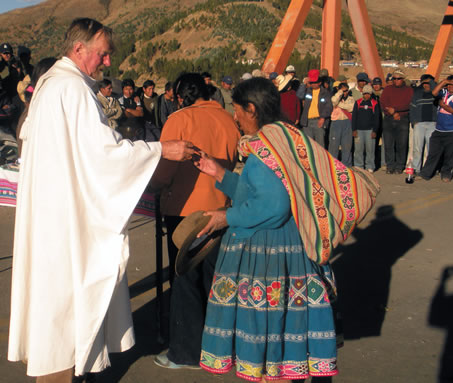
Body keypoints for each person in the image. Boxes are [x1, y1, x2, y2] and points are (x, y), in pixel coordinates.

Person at [7, 18, 195, 383]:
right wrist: (162, 149)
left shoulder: (50, 87)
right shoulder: (71, 89)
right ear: (79, 49)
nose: (107, 62)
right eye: (103, 54)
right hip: (66, 219)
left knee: (58, 299)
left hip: (54, 210)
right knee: (67, 298)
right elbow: (103, 155)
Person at [194, 77, 379, 382]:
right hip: (295, 246)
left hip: (270, 254)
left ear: (251, 109)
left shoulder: (264, 147)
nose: (235, 117)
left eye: (238, 110)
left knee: (272, 323)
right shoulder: (287, 136)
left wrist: (226, 217)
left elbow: (272, 206)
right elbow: (263, 194)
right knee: (292, 324)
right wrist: (219, 172)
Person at [150, 72, 240, 370]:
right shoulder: (228, 118)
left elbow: (165, 169)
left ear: (179, 96)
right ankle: (219, 347)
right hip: (221, 207)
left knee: (186, 280)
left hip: (185, 209)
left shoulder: (179, 119)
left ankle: (186, 352)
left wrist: (153, 187)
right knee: (215, 280)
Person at [419, 75, 453, 182]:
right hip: (439, 129)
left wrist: (441, 104)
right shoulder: (444, 92)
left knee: (450, 155)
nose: (450, 87)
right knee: (433, 153)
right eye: (448, 84)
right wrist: (443, 82)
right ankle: (425, 174)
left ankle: (447, 174)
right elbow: (434, 93)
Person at [379, 70, 414, 174]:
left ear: (403, 79)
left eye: (398, 78)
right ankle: (390, 165)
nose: (396, 80)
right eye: (394, 78)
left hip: (402, 118)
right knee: (388, 144)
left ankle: (400, 165)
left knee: (401, 144)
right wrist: (392, 112)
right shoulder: (388, 89)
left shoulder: (409, 90)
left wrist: (396, 110)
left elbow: (409, 104)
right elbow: (383, 102)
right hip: (389, 118)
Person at [409, 75, 437, 173]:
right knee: (417, 148)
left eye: (429, 83)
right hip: (419, 123)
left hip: (432, 123)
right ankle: (416, 168)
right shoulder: (417, 94)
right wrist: (414, 122)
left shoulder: (436, 95)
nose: (427, 85)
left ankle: (429, 169)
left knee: (431, 148)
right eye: (425, 83)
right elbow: (412, 108)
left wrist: (432, 83)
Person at [297, 69, 332, 146]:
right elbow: (299, 95)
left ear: (319, 82)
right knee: (308, 146)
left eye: (314, 82)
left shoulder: (325, 93)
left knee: (320, 146)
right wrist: (304, 84)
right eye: (311, 82)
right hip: (307, 123)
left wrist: (323, 118)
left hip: (319, 122)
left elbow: (328, 107)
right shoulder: (307, 91)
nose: (313, 84)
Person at [352, 84, 380, 172]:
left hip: (370, 130)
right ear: (362, 94)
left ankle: (370, 166)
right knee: (358, 149)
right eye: (365, 93)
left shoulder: (374, 103)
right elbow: (354, 117)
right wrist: (354, 129)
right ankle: (358, 165)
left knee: (370, 149)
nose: (366, 95)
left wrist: (375, 130)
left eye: (368, 94)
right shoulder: (358, 102)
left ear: (371, 94)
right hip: (359, 130)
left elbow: (377, 118)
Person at [329, 81, 355, 166]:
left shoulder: (351, 99)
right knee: (334, 145)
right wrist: (339, 93)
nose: (345, 92)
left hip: (347, 122)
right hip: (336, 122)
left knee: (347, 145)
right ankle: (333, 164)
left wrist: (339, 104)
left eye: (346, 90)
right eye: (343, 91)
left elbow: (351, 108)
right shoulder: (335, 97)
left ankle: (347, 165)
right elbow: (333, 101)